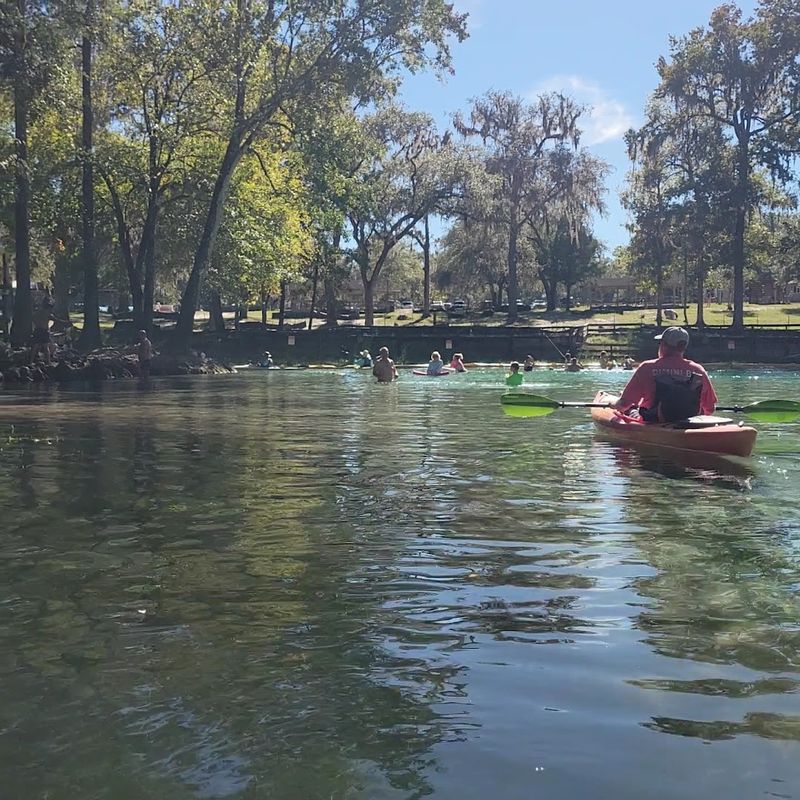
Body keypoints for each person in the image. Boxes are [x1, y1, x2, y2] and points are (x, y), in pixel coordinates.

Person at [614, 326, 717, 423]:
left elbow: (624, 404)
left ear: (663, 345)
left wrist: (614, 405)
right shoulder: (698, 370)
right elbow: (710, 408)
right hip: (688, 422)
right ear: (683, 347)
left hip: (653, 421)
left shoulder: (647, 367)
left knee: (631, 409)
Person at [30, 298, 69, 365]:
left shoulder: (36, 313)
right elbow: (57, 320)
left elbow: (33, 320)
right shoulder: (48, 314)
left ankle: (31, 362)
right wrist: (65, 322)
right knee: (46, 347)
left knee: (35, 347)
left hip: (37, 330)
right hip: (44, 331)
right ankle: (48, 362)